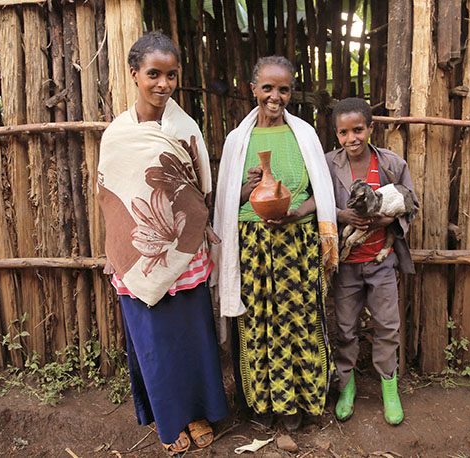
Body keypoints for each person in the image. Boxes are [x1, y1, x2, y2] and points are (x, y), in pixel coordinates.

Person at [97, 31, 228, 454]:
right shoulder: (116, 134)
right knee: (154, 343)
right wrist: (112, 247)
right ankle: (168, 421)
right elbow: (110, 196)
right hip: (137, 256)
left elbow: (198, 189)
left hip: (184, 252)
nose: (163, 84)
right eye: (154, 74)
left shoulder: (184, 127)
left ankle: (196, 413)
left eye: (171, 75)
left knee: (192, 338)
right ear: (135, 74)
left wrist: (196, 226)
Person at [212, 56, 339, 431]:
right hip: (251, 247)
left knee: (298, 320)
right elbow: (225, 205)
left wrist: (298, 213)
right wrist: (247, 191)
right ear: (253, 89)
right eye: (267, 88)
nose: (275, 96)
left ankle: (297, 406)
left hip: (296, 245)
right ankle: (263, 406)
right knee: (257, 324)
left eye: (283, 89)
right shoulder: (239, 141)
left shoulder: (305, 136)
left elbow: (323, 194)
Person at [325, 98, 419, 425]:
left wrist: (388, 221)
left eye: (358, 130)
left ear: (371, 128)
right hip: (346, 263)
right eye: (343, 132)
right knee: (346, 327)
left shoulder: (392, 164)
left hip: (382, 262)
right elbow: (318, 203)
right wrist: (341, 214)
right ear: (336, 134)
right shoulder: (327, 165)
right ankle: (346, 387)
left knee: (387, 326)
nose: (351, 138)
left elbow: (411, 203)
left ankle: (389, 389)